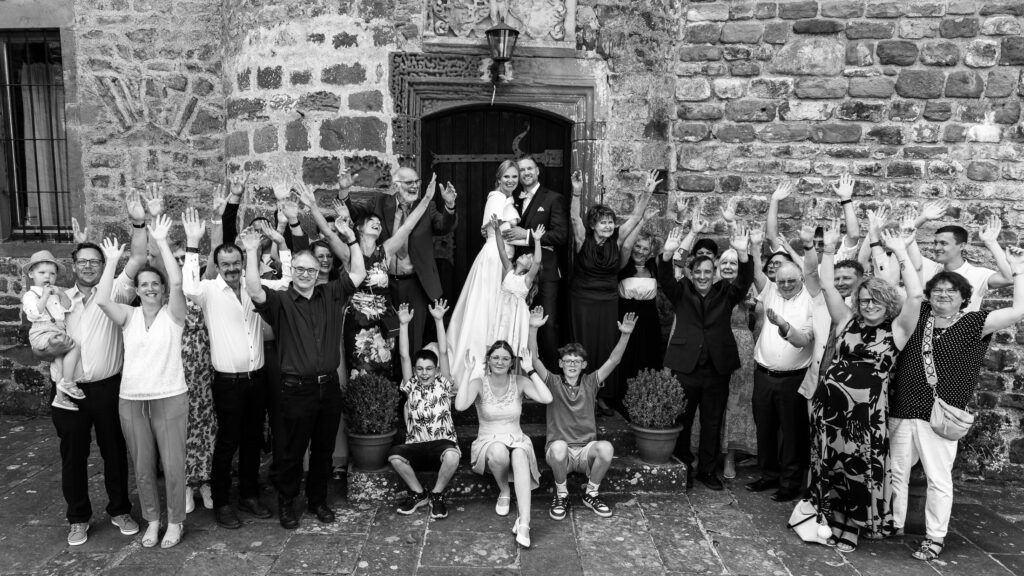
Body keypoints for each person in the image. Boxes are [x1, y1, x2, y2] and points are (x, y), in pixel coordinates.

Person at [889, 245, 1024, 561]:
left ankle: (934, 538)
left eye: (951, 291)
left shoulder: (976, 322)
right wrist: (900, 251)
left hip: (941, 413)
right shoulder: (920, 313)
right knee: (895, 473)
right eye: (937, 290)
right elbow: (902, 286)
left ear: (964, 296)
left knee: (938, 479)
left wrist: (1018, 271)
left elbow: (1018, 310)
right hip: (903, 407)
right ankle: (891, 524)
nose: (943, 295)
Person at [40, 193, 150, 546]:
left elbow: (138, 257)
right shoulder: (59, 297)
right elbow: (42, 336)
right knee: (72, 455)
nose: (88, 266)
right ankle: (78, 518)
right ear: (74, 265)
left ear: (104, 265)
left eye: (95, 261)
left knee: (114, 451)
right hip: (66, 389)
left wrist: (137, 223)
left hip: (107, 387)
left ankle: (119, 509)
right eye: (82, 261)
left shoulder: (116, 290)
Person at [245, 225, 366, 530]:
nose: (305, 274)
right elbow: (254, 289)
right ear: (292, 270)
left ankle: (317, 500)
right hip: (296, 390)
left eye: (310, 269)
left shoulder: (331, 293)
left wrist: (351, 238)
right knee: (291, 452)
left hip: (328, 389)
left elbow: (359, 273)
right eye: (299, 268)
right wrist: (250, 251)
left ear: (317, 271)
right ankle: (287, 504)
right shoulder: (281, 301)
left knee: (323, 451)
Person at [809, 227, 922, 552]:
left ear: (887, 301)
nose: (869, 305)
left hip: (866, 417)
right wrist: (828, 250)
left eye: (875, 300)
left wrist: (900, 251)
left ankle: (853, 528)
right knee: (832, 467)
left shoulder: (897, 329)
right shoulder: (846, 320)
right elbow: (828, 285)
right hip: (830, 412)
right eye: (863, 300)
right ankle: (836, 522)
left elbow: (915, 296)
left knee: (858, 471)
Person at [181, 206, 295, 529]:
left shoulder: (255, 289)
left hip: (256, 379)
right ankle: (222, 502)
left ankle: (249, 494)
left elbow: (286, 281)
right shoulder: (207, 292)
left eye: (236, 263)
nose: (232, 269)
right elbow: (188, 286)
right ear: (216, 266)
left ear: (243, 263)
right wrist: (192, 245)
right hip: (227, 383)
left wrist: (274, 245)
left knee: (251, 440)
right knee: (227, 441)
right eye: (225, 264)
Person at [95, 213, 188, 549]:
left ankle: (175, 521)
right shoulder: (129, 315)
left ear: (162, 289)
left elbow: (178, 283)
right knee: (144, 467)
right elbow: (103, 299)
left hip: (170, 397)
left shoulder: (174, 314)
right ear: (137, 289)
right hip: (132, 400)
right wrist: (111, 262)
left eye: (155, 284)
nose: (150, 288)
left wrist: (160, 241)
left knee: (174, 465)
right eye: (144, 284)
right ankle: (152, 520)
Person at [660, 221, 753, 491]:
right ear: (690, 273)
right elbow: (665, 278)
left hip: (717, 368)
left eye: (707, 271)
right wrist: (667, 255)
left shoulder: (726, 292)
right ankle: (684, 468)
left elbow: (745, 280)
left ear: (715, 273)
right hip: (686, 367)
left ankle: (708, 471)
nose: (702, 275)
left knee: (712, 422)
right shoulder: (681, 292)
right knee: (683, 421)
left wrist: (744, 255)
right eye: (698, 271)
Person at [317, 177, 435, 377]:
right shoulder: (349, 253)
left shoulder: (385, 251)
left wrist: (427, 199)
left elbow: (407, 227)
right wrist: (312, 206)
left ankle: (383, 406)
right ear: (359, 228)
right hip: (357, 319)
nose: (377, 224)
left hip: (384, 318)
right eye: (372, 222)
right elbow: (328, 234)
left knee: (384, 366)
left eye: (379, 223)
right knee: (360, 369)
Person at [528, 306, 636, 520]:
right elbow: (533, 360)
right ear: (560, 363)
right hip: (561, 454)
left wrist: (625, 334)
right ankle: (561, 494)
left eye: (576, 361)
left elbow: (614, 361)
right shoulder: (552, 382)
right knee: (558, 447)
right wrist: (533, 328)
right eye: (567, 361)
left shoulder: (591, 382)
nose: (572, 364)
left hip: (586, 450)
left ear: (584, 364)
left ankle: (591, 494)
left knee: (606, 448)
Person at [568, 169, 657, 416]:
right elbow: (575, 218)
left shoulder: (616, 240)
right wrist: (576, 192)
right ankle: (580, 394)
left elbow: (636, 215)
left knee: (606, 346)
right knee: (583, 344)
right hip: (582, 300)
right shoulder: (582, 240)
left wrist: (646, 193)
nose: (608, 225)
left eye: (610, 221)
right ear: (593, 225)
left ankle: (602, 396)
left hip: (607, 300)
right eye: (603, 222)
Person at [342, 166, 458, 353]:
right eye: (409, 182)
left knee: (412, 337)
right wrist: (344, 191)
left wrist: (450, 206)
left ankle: (409, 378)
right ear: (396, 184)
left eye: (417, 182)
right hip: (384, 285)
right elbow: (355, 216)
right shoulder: (379, 203)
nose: (415, 186)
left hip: (415, 283)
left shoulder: (427, 206)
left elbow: (443, 226)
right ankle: (389, 379)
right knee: (383, 334)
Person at [455, 342, 553, 548]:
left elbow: (547, 398)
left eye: (505, 358)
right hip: (488, 441)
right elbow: (460, 405)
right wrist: (467, 372)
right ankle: (505, 491)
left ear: (511, 363)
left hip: (516, 438)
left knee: (519, 454)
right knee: (499, 452)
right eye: (495, 357)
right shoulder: (478, 382)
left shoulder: (520, 381)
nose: (500, 361)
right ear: (488, 360)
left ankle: (524, 522)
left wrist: (531, 369)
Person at [448, 160, 522, 388]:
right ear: (498, 179)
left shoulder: (506, 199)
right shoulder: (497, 198)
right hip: (495, 258)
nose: (511, 180)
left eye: (514, 177)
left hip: (503, 256)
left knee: (497, 309)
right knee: (488, 307)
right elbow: (495, 231)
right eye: (506, 177)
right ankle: (478, 366)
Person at [746, 259, 815, 503]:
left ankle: (790, 483)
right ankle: (768, 475)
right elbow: (755, 274)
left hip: (793, 378)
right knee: (764, 428)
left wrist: (783, 325)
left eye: (791, 281)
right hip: (763, 374)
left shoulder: (811, 300)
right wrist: (752, 250)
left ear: (802, 280)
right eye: (781, 280)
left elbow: (803, 339)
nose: (785, 285)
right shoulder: (771, 291)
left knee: (792, 434)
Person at [389, 300, 459, 519]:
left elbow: (445, 352)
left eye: (429, 368)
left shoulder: (444, 383)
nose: (424, 372)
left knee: (453, 456)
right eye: (420, 369)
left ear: (436, 369)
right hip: (417, 445)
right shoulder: (411, 385)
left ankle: (437, 494)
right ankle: (419, 494)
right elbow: (404, 356)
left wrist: (439, 320)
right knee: (394, 457)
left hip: (442, 444)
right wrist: (403, 324)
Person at [503, 155, 569, 366]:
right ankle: (523, 372)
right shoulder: (514, 199)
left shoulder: (553, 198)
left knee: (547, 323)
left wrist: (527, 234)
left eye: (529, 168)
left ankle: (551, 375)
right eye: (521, 170)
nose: (526, 173)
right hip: (520, 274)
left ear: (538, 170)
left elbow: (560, 235)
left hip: (546, 272)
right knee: (519, 323)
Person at [913, 202, 1013, 312]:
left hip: (964, 329)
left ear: (962, 246)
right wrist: (922, 218)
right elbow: (900, 242)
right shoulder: (928, 267)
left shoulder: (978, 274)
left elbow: (1010, 278)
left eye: (943, 243)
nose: (937, 248)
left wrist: (991, 242)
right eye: (935, 243)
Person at [22, 251, 82, 410]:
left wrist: (61, 293)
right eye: (41, 273)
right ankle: (68, 383)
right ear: (31, 274)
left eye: (52, 274)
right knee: (73, 347)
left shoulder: (55, 292)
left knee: (59, 362)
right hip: (42, 331)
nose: (47, 277)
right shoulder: (30, 294)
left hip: (57, 329)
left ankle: (60, 397)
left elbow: (69, 307)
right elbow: (34, 314)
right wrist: (44, 296)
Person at [717, 247, 758, 479]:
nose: (728, 267)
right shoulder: (710, 288)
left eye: (733, 263)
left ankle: (730, 457)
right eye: (724, 263)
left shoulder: (746, 289)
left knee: (737, 403)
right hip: (716, 345)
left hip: (741, 348)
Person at [615, 232, 664, 405]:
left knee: (647, 359)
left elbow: (675, 256)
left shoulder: (653, 267)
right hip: (625, 318)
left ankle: (646, 402)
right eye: (638, 246)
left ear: (650, 252)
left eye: (645, 248)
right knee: (625, 359)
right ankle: (622, 402)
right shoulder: (622, 266)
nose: (641, 251)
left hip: (649, 323)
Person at [491, 215, 545, 357]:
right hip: (501, 313)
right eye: (526, 254)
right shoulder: (509, 270)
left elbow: (538, 262)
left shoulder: (527, 279)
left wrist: (537, 240)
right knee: (498, 339)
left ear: (530, 267)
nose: (525, 255)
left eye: (529, 257)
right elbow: (501, 249)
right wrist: (497, 229)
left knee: (512, 344)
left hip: (515, 317)